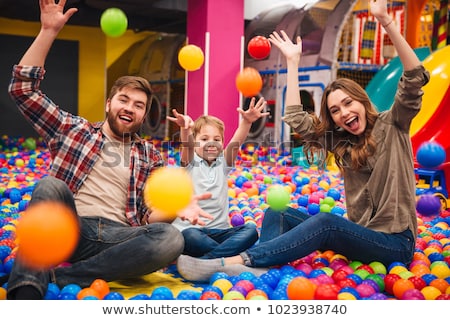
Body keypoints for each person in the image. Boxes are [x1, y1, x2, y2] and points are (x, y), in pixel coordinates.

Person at [176, 0, 430, 282]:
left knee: (325, 222)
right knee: (277, 212)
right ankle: (260, 264)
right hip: (363, 236)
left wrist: (385, 20)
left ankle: (237, 261)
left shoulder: (393, 124)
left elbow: (414, 77)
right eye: (335, 110)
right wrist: (292, 63)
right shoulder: (341, 141)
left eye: (348, 103)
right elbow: (298, 120)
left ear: (362, 100)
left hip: (394, 243)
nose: (344, 113)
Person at [4, 0, 213, 299]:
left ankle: (63, 277)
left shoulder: (149, 156)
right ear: (109, 104)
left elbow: (148, 218)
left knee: (170, 239)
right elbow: (23, 90)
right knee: (51, 185)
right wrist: (48, 31)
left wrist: (175, 206)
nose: (130, 108)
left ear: (143, 116)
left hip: (118, 235)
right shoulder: (72, 129)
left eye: (138, 105)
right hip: (68, 226)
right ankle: (26, 289)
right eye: (124, 100)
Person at [166, 97, 269, 259]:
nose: (211, 143)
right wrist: (185, 129)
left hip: (220, 231)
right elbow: (187, 144)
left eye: (217, 139)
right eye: (204, 139)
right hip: (192, 231)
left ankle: (209, 260)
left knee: (250, 231)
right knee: (190, 237)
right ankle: (228, 257)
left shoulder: (223, 163)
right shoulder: (190, 163)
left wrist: (247, 122)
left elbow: (237, 140)